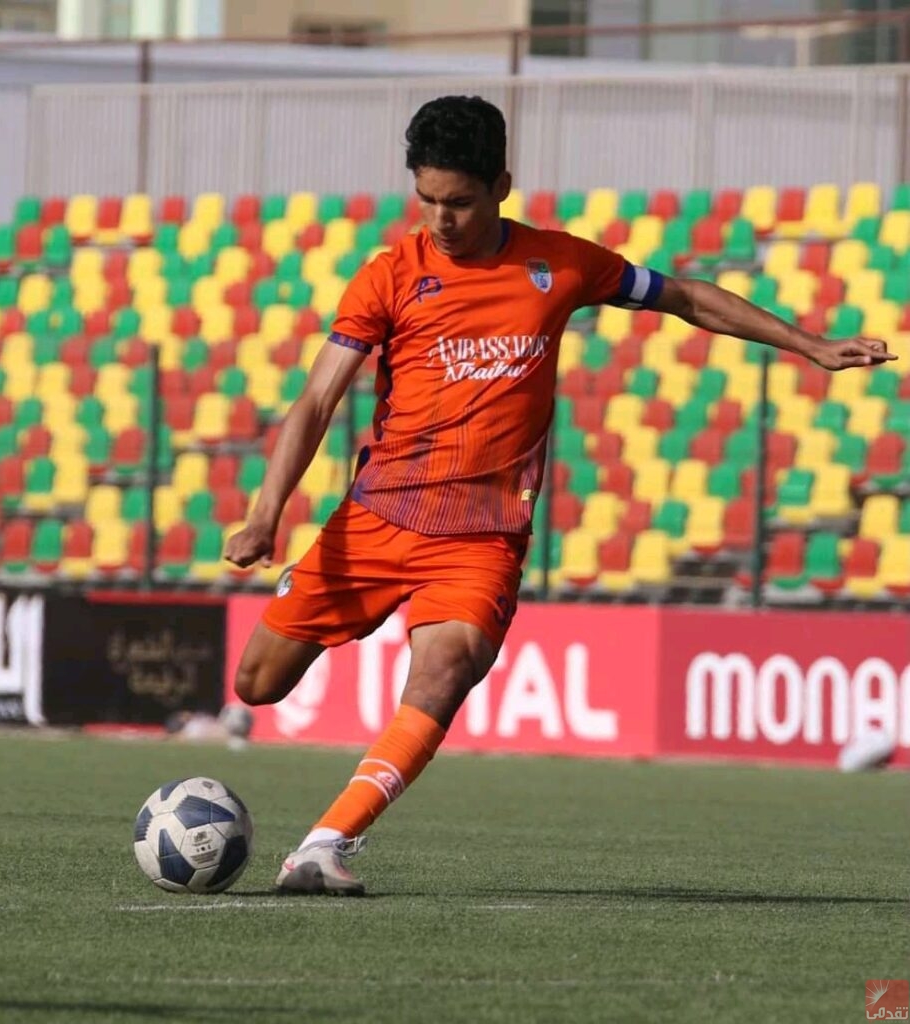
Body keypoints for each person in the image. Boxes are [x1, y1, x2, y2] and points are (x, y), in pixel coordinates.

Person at [223, 94, 896, 895]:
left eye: (460, 202)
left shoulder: (559, 264)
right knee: (256, 685)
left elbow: (682, 296)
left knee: (446, 670)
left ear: (501, 184)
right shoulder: (388, 277)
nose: (441, 219)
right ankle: (315, 645)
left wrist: (807, 344)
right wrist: (266, 513)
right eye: (427, 200)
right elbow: (315, 402)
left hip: (481, 533)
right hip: (375, 517)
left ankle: (322, 846)